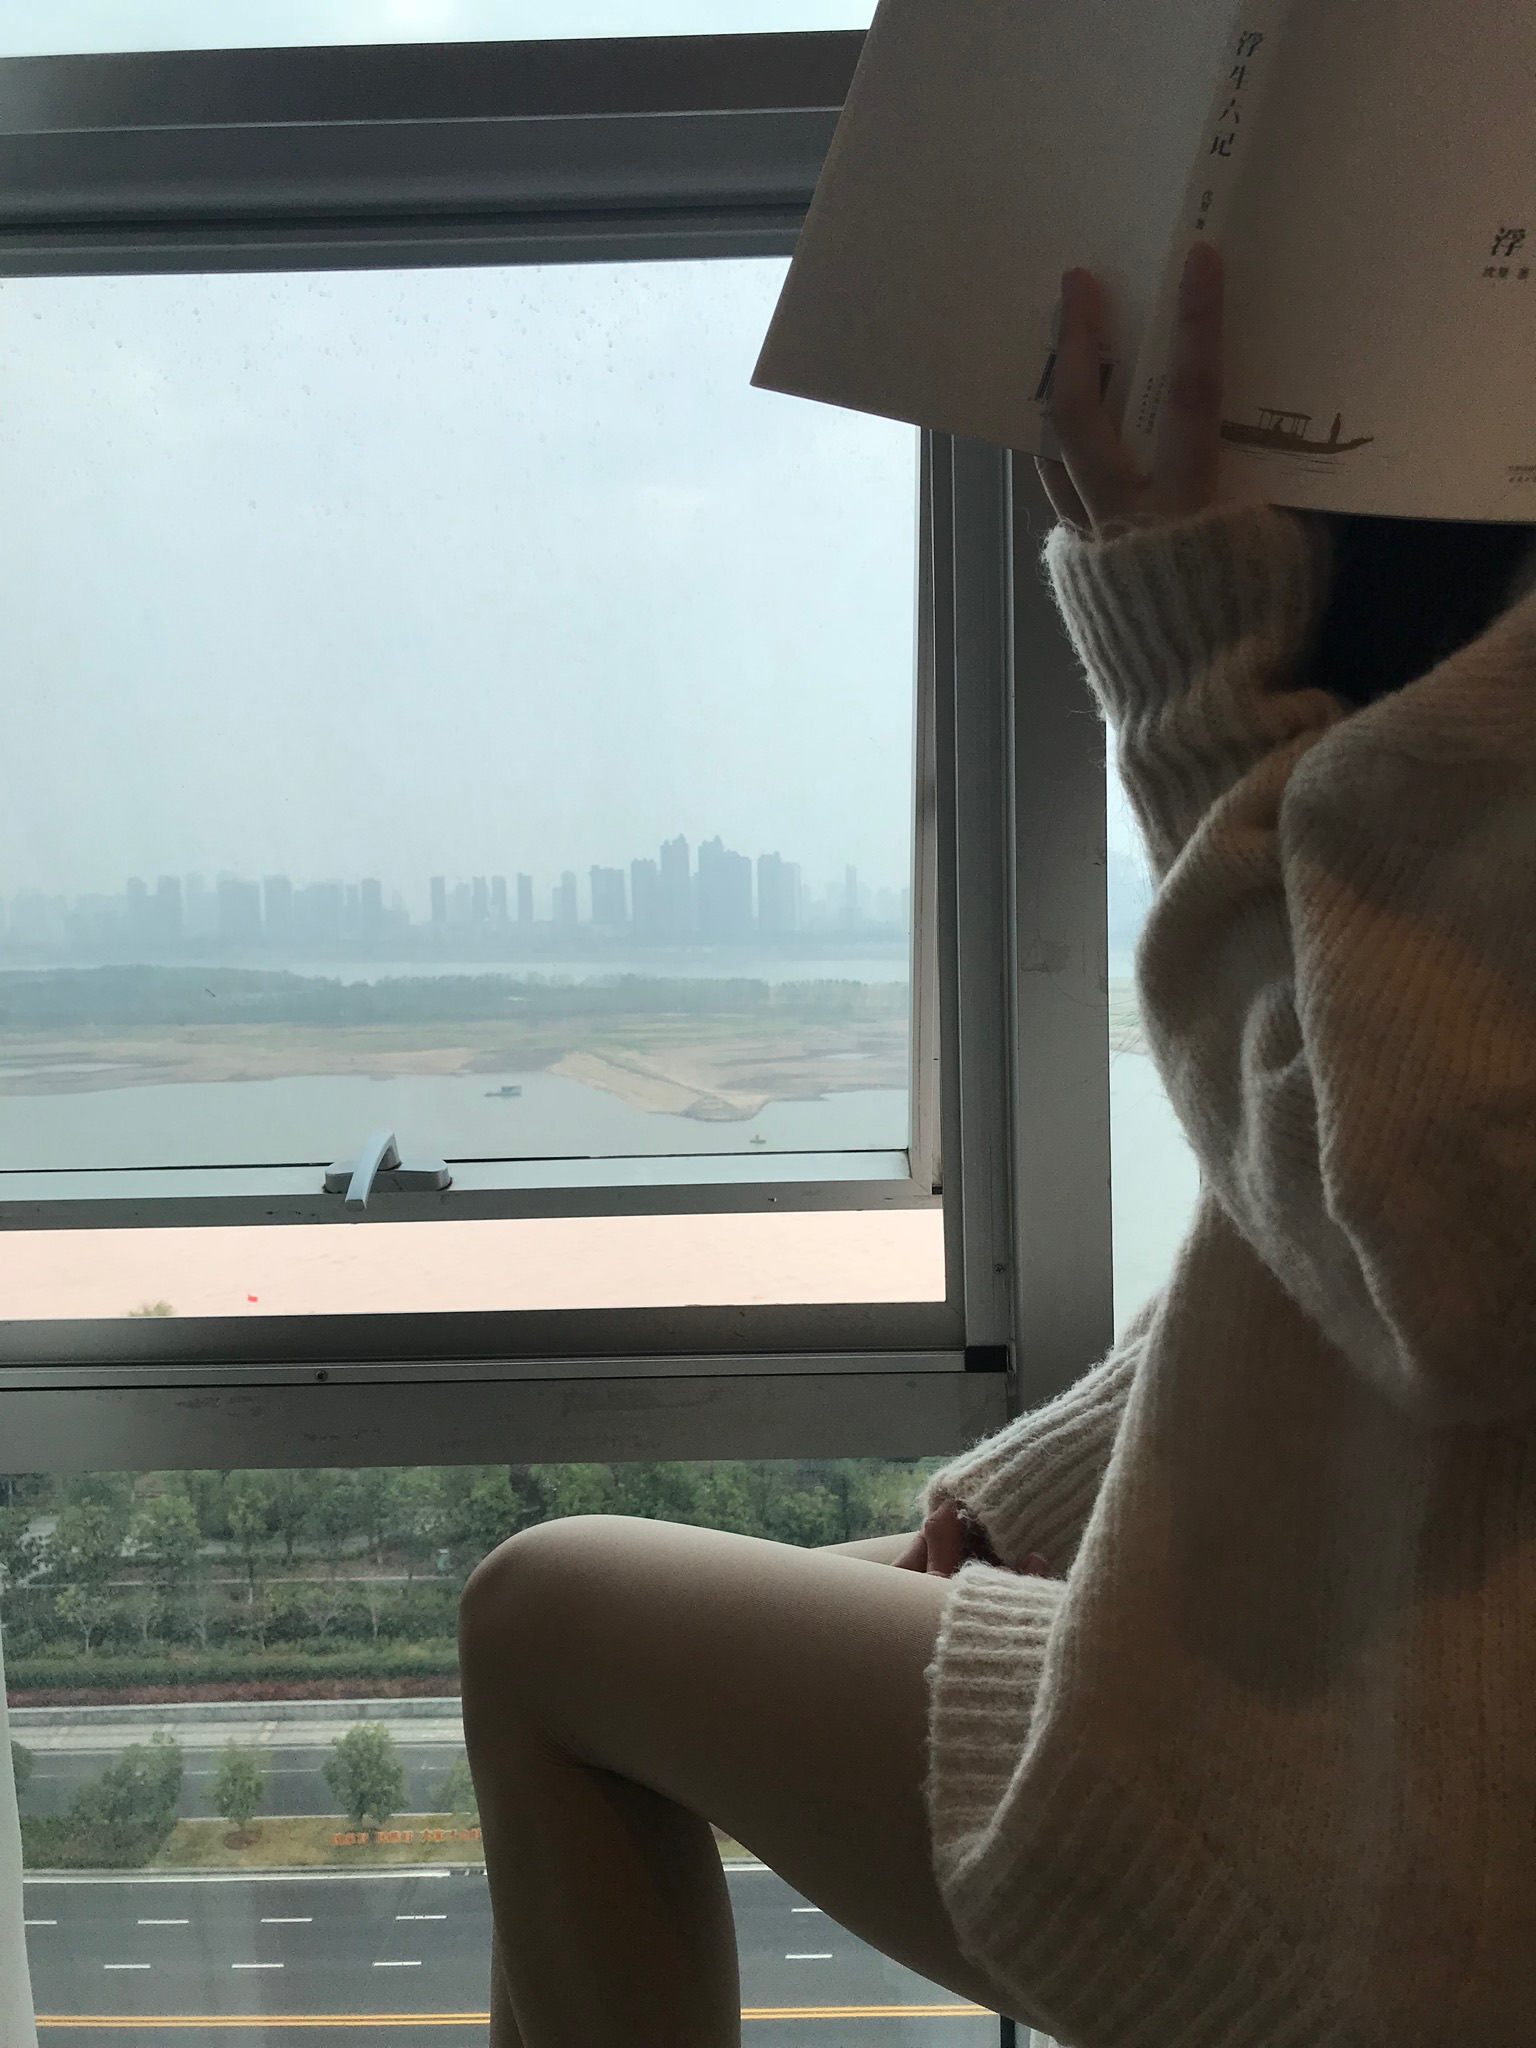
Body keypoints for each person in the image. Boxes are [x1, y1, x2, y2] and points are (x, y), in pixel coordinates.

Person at [456, 242, 1536, 2045]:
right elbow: (1406, 1190)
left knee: (543, 1622)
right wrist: (1036, 1493)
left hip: (1423, 1827)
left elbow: (1432, 1236)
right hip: (1404, 1647)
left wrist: (1197, 691)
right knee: (622, 1630)